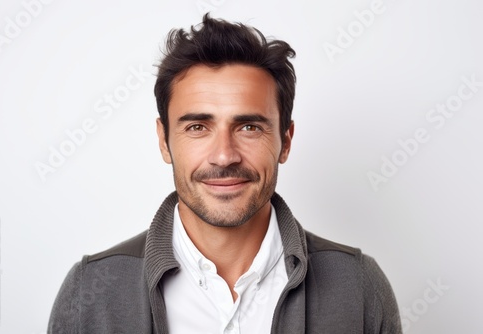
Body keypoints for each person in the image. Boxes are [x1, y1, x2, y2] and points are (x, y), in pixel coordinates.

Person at [48, 14, 402, 333]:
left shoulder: (358, 287)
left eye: (248, 127)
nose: (224, 155)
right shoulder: (90, 293)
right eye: (198, 127)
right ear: (164, 140)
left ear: (285, 141)